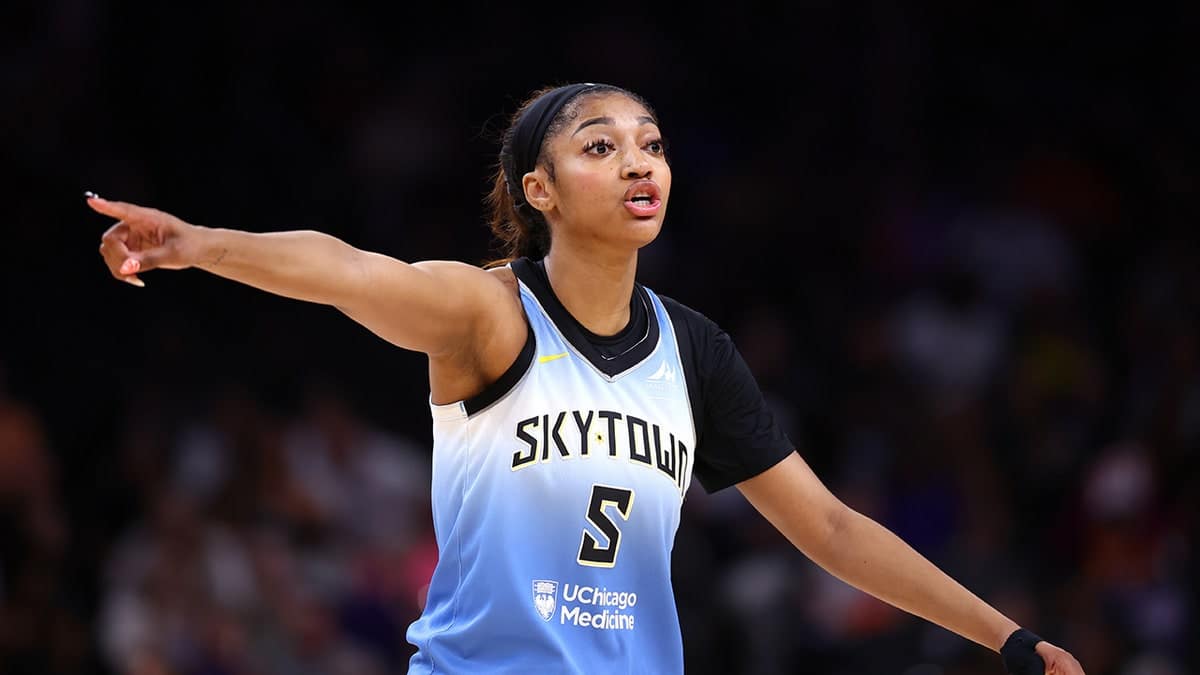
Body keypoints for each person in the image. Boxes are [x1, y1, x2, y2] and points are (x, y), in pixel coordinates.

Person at [89, 82, 1086, 675]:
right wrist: (201, 243)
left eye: (650, 145)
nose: (637, 163)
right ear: (540, 191)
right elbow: (350, 271)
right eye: (600, 148)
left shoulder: (693, 352)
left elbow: (827, 529)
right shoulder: (491, 313)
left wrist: (1007, 641)